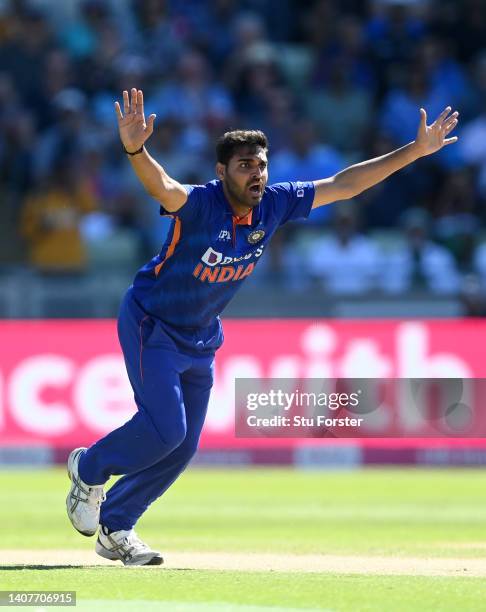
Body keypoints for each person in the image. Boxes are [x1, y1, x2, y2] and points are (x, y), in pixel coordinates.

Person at [66, 87, 459, 566]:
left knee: (184, 444)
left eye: (262, 165)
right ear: (222, 171)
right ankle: (87, 469)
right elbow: (163, 187)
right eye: (246, 165)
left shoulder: (274, 203)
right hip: (153, 323)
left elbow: (345, 184)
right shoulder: (201, 205)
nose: (257, 174)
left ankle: (117, 526)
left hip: (201, 336)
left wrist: (416, 150)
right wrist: (135, 149)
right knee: (166, 430)